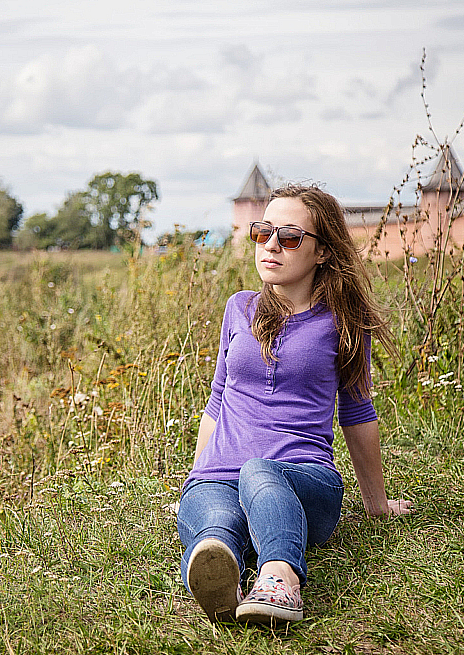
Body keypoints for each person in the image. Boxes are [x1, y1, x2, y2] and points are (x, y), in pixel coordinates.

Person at [176, 184, 413, 627]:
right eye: (262, 232)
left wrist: (375, 503)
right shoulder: (239, 308)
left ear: (322, 252)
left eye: (288, 237)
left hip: (305, 481)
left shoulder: (342, 323)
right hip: (221, 475)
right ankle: (221, 576)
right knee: (214, 526)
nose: (270, 245)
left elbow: (358, 414)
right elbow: (216, 401)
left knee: (258, 471)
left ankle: (280, 578)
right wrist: (197, 476)